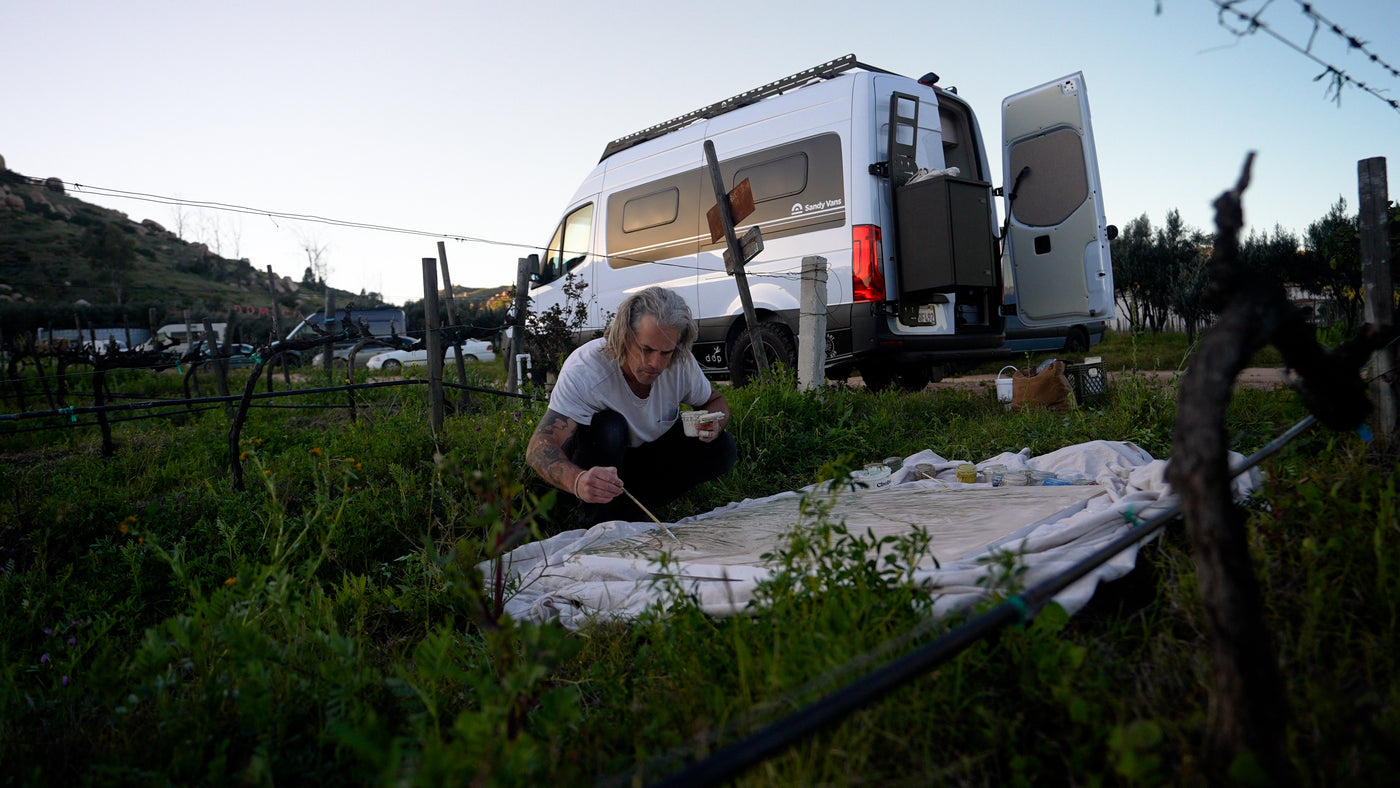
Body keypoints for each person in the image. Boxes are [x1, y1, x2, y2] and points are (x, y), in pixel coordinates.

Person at [526, 286, 737, 526]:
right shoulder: (586, 369)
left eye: (665, 352)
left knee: (721, 448)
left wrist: (713, 422)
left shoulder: (681, 363)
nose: (655, 364)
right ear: (624, 337)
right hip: (598, 459)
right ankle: (596, 522)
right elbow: (539, 447)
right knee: (610, 427)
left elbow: (715, 401)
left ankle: (635, 508)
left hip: (645, 457)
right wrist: (580, 480)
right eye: (646, 349)